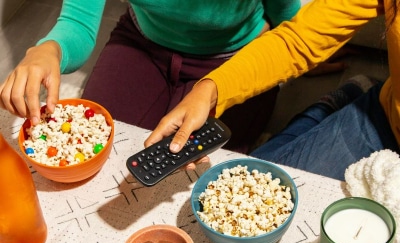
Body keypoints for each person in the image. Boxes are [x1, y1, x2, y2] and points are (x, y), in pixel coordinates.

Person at [0, 0, 302, 154]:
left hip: (234, 54)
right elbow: (78, 23)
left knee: (202, 172)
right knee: (89, 142)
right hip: (141, 41)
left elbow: (285, 13)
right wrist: (50, 49)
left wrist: (291, 55)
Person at [146, 0, 400, 181]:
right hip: (384, 118)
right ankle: (339, 103)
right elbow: (299, 40)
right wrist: (210, 89)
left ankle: (339, 104)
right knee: (245, 188)